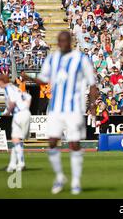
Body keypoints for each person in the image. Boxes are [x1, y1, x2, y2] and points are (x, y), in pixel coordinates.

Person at [22, 31, 99, 195]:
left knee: (74, 144)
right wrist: (28, 77)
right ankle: (59, 177)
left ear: (70, 41)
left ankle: (76, 181)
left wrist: (92, 104)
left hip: (74, 108)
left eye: (65, 40)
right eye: (60, 41)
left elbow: (92, 84)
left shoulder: (81, 59)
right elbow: (43, 80)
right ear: (57, 42)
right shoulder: (52, 59)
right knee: (51, 142)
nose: (63, 43)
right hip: (56, 107)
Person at [0, 74, 32, 172]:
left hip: (19, 115)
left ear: (1, 81)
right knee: (17, 140)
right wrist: (25, 108)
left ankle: (21, 163)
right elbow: (28, 97)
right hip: (26, 113)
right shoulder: (15, 88)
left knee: (16, 139)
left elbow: (12, 102)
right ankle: (12, 165)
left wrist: (8, 112)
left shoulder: (8, 88)